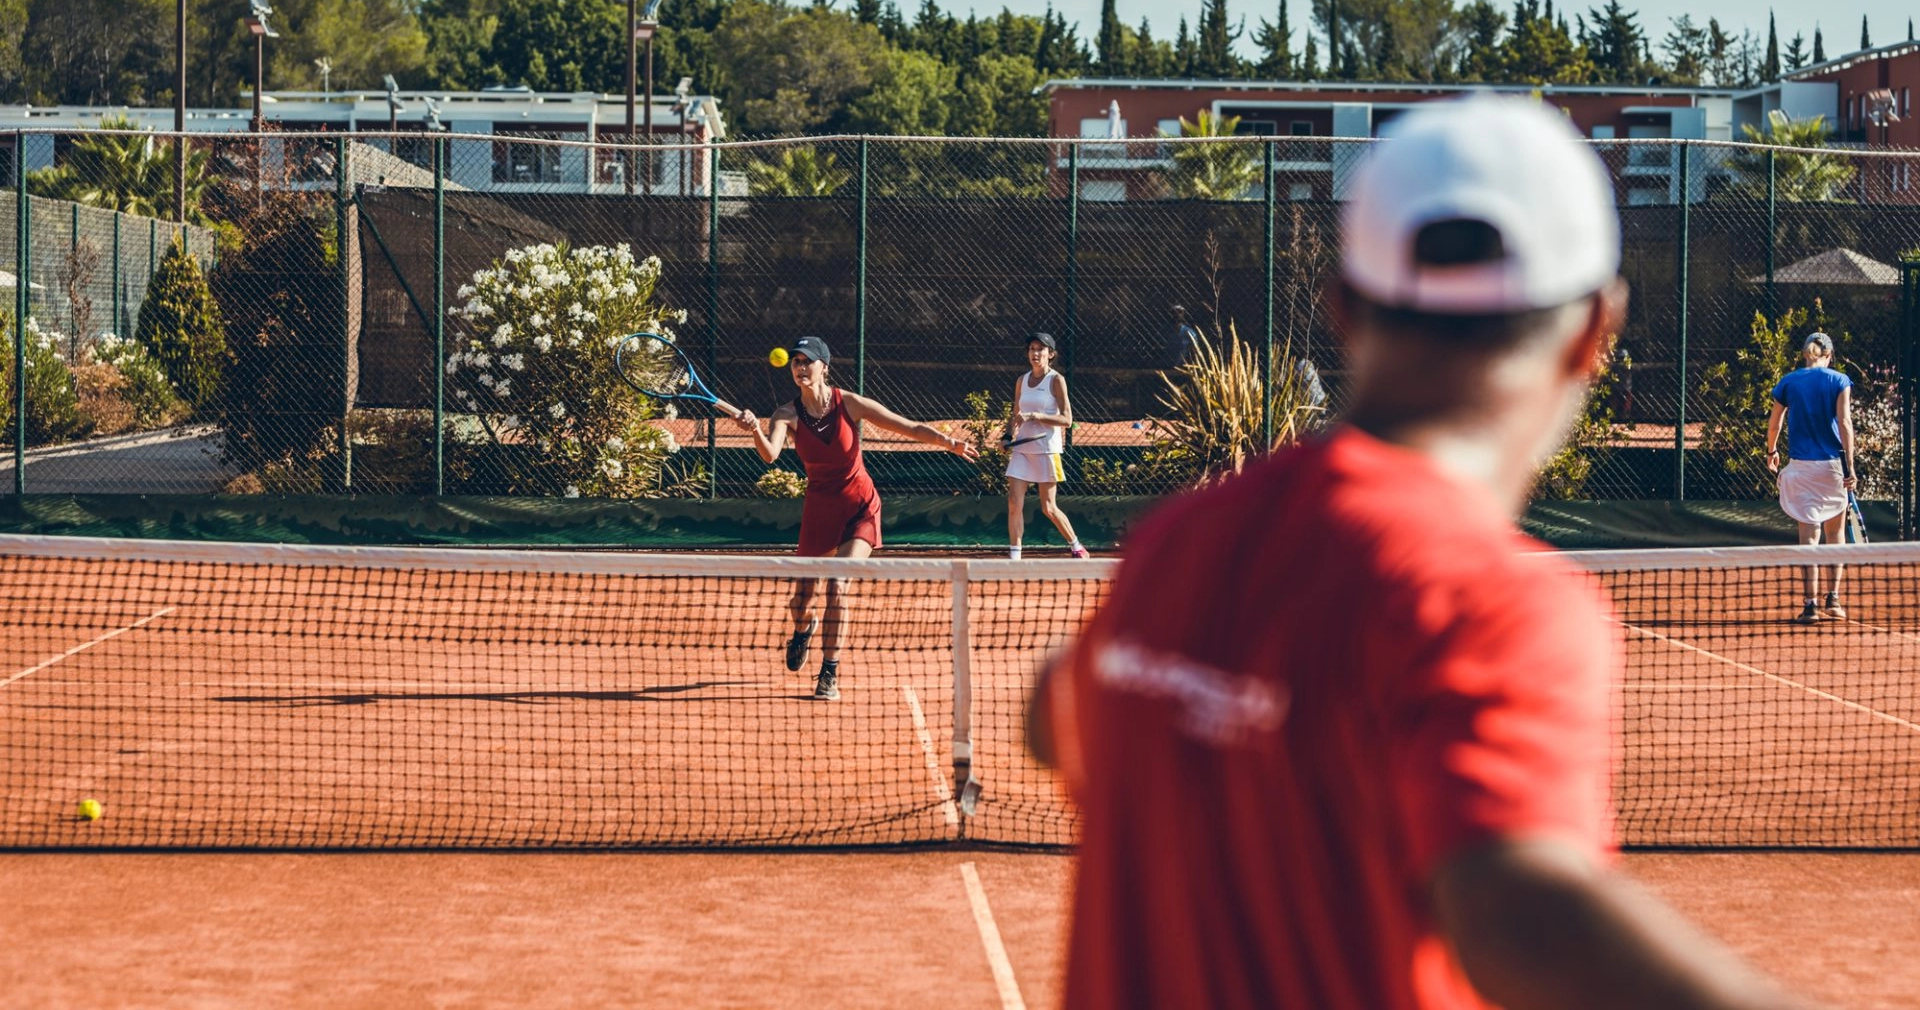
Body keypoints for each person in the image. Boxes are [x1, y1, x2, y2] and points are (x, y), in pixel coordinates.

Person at [1030, 98, 1813, 1010]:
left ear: (1344, 307)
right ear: (1597, 330)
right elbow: (1515, 908)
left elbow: (1054, 716)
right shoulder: (1493, 605)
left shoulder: (1172, 548)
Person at [735, 336, 977, 701]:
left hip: (860, 507)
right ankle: (805, 628)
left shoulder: (850, 403)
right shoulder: (785, 414)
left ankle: (829, 672)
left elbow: (907, 427)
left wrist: (949, 442)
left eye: (808, 361)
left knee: (838, 584)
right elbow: (769, 455)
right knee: (800, 603)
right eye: (796, 362)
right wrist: (755, 428)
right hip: (820, 511)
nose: (801, 367)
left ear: (824, 367)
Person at [1767, 332, 1856, 624]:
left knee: (1809, 539)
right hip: (1832, 468)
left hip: (1802, 469)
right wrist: (1850, 468)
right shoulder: (1840, 380)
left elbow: (1775, 422)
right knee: (1836, 535)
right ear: (1829, 355)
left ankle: (1810, 605)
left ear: (1806, 354)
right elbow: (1844, 423)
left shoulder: (1789, 381)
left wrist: (1771, 451)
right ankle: (1834, 599)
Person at [1002, 332, 1088, 561]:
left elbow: (1067, 420)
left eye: (1040, 349)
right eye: (1031, 348)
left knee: (1048, 507)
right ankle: (1015, 558)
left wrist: (1035, 416)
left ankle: (1077, 546)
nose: (1035, 353)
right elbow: (1015, 413)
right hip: (1022, 449)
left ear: (1051, 354)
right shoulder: (1022, 380)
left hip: (1046, 449)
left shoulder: (1056, 380)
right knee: (1013, 502)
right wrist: (1007, 436)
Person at [1165, 304, 1202, 370]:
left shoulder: (1189, 332)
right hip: (1167, 366)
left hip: (1184, 367)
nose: (1177, 314)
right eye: (1174, 312)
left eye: (1179, 312)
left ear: (1183, 314)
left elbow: (1195, 352)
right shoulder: (1166, 332)